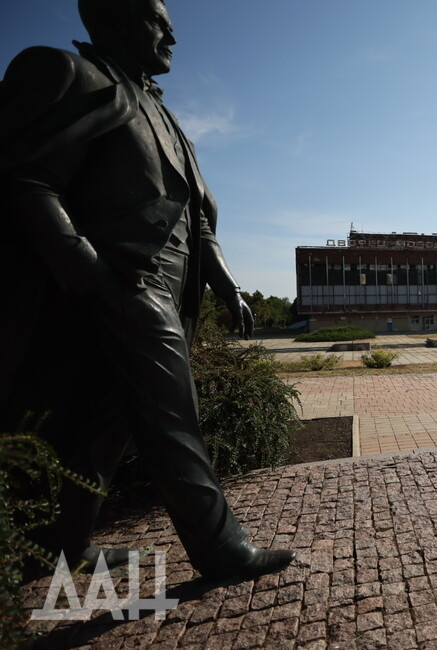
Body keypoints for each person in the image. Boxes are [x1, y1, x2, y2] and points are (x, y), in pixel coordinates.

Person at [0, 0, 295, 579]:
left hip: (166, 292)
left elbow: (195, 219)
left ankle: (62, 546)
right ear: (112, 19)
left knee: (102, 424)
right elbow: (25, 176)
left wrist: (228, 285)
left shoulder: (164, 113)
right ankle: (220, 549)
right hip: (124, 281)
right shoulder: (65, 72)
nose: (173, 36)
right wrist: (90, 271)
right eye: (159, 22)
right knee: (171, 417)